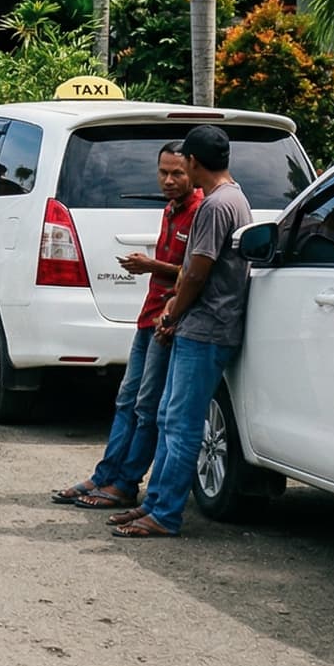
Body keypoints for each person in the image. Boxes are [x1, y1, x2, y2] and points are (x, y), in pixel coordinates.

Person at [109, 126, 255, 540]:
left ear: (192, 162)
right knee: (169, 417)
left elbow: (197, 270)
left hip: (207, 327)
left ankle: (166, 512)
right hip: (202, 324)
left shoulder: (215, 205)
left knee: (183, 424)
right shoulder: (232, 198)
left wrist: (174, 311)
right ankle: (154, 504)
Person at [53, 143, 202, 512]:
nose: (168, 180)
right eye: (163, 172)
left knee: (147, 407)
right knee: (127, 400)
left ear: (193, 172)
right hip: (147, 315)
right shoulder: (171, 210)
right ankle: (106, 474)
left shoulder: (201, 211)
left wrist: (152, 266)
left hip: (168, 321)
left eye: (177, 173)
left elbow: (197, 273)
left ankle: (125, 483)